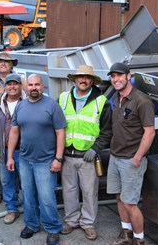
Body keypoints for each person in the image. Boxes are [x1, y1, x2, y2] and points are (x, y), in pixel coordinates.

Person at [7, 74, 66, 245]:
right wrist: (10, 156)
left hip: (46, 161)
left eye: (37, 85)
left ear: (43, 87)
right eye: (31, 85)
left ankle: (53, 228)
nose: (34, 88)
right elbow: (14, 132)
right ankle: (31, 225)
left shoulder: (52, 106)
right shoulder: (21, 106)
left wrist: (58, 159)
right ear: (26, 87)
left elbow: (60, 133)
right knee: (28, 195)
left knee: (46, 197)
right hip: (24, 160)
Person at [59, 65, 112, 240]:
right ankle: (72, 220)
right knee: (69, 190)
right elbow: (56, 126)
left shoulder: (101, 101)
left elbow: (107, 131)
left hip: (88, 157)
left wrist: (95, 149)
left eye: (87, 78)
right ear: (74, 79)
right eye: (80, 77)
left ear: (92, 81)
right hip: (67, 155)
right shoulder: (63, 98)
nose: (83, 80)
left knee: (89, 192)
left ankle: (88, 223)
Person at [106, 62, 155, 245]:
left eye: (119, 75)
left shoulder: (141, 101)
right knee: (119, 197)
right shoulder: (117, 98)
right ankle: (126, 233)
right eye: (113, 76)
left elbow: (150, 132)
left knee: (130, 203)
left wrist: (137, 157)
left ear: (128, 76)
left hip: (131, 160)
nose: (115, 79)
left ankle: (139, 240)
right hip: (115, 157)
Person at [0, 52, 27, 205]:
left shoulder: (22, 82)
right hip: (1, 137)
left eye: (6, 62)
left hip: (23, 146)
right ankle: (7, 202)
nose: (3, 64)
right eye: (0, 62)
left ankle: (23, 202)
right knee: (2, 174)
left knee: (23, 177)